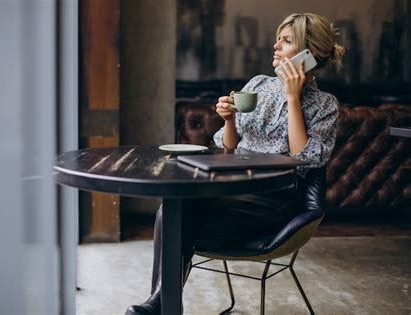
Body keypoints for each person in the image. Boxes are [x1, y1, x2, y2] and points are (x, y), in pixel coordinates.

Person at [125, 12, 345, 315]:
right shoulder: (258, 84)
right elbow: (227, 146)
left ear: (310, 54)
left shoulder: (325, 105)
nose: (276, 45)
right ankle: (161, 302)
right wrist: (228, 120)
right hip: (232, 189)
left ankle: (159, 305)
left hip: (275, 200)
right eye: (278, 38)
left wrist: (293, 99)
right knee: (174, 207)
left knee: (180, 216)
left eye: (286, 40)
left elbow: (305, 158)